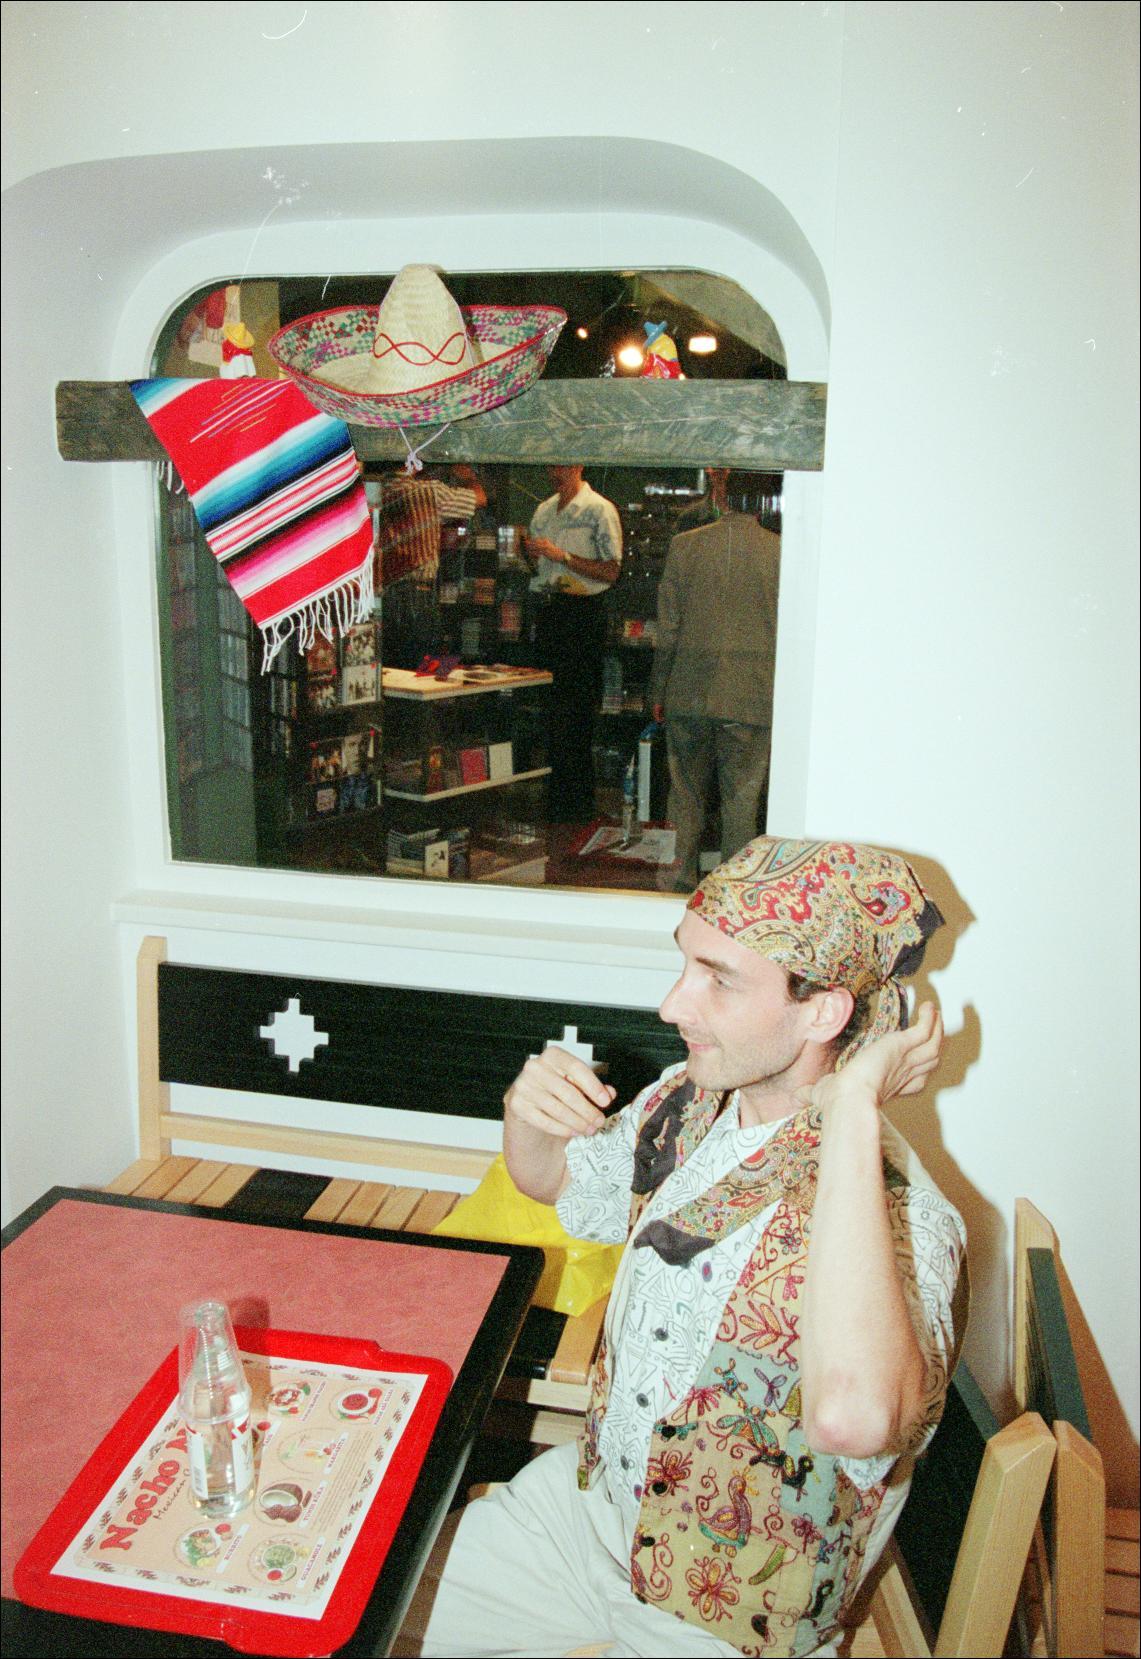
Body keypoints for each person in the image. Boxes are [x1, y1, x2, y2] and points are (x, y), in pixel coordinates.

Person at [400, 838, 965, 1659]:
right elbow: (555, 1181)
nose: (672, 1003)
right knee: (350, 1601)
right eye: (683, 964)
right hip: (590, 1519)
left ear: (822, 1011)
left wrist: (850, 1109)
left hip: (731, 1611)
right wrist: (527, 1115)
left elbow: (851, 1418)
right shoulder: (691, 1103)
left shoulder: (905, 1218)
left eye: (717, 979)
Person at [651, 479, 781, 890]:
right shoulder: (781, 553)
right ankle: (733, 896)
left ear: (722, 497)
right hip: (752, 696)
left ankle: (674, 885)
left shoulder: (684, 546)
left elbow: (668, 628)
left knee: (684, 795)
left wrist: (658, 689)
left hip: (688, 691)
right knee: (741, 802)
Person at [523, 464, 622, 822]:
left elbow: (611, 570)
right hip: (550, 611)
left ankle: (578, 806)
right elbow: (537, 568)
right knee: (552, 711)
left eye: (563, 464)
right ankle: (556, 801)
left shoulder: (599, 509)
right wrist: (530, 553)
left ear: (579, 465)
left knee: (578, 712)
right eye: (551, 464)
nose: (556, 471)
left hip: (583, 614)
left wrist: (562, 556)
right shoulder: (544, 510)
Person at [373, 463, 487, 670]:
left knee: (390, 669)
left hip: (380, 597)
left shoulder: (373, 492)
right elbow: (479, 498)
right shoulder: (429, 491)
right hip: (418, 596)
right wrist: (467, 476)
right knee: (424, 668)